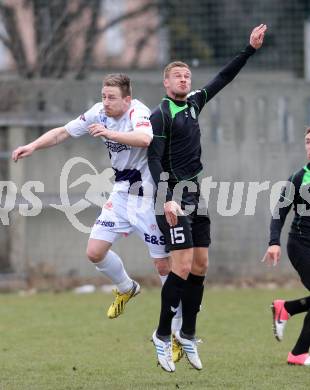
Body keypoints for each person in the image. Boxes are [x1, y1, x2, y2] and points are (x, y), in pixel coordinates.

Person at [148, 24, 267, 372]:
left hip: (196, 194)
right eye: (178, 77)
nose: (185, 80)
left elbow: (222, 78)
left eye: (187, 75)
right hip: (171, 197)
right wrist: (167, 198)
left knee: (200, 266)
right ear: (167, 84)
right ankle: (160, 335)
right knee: (181, 266)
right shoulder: (161, 114)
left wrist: (250, 49)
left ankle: (187, 334)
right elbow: (153, 158)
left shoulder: (195, 103)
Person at [12, 73, 172, 319]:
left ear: (127, 99)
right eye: (103, 96)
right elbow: (62, 133)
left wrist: (109, 134)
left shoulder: (137, 113)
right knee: (95, 252)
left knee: (162, 264)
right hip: (120, 195)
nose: (106, 102)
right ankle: (127, 288)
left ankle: (178, 329)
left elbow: (145, 138)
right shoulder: (99, 112)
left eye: (112, 98)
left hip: (145, 198)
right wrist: (32, 146)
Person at [262, 126, 310, 366]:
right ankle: (298, 353)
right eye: (309, 142)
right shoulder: (299, 177)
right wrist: (273, 242)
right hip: (301, 245)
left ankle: (287, 309)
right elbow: (279, 212)